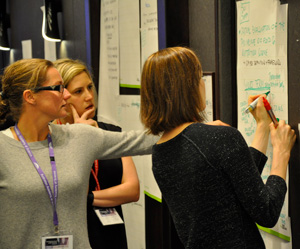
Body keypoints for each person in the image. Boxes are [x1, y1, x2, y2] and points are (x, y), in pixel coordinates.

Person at [139, 47, 296, 249]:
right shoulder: (218, 138)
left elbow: (237, 186)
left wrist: (262, 127)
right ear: (187, 88)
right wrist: (282, 153)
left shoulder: (160, 153)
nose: (202, 84)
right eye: (198, 78)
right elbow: (266, 211)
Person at [0, 58, 157, 249]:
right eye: (58, 88)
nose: (65, 95)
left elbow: (146, 141)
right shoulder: (3, 148)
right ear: (30, 97)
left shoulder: (80, 136)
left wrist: (198, 129)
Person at [53, 58, 139, 249]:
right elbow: (61, 191)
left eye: (90, 87)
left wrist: (88, 198)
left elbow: (132, 190)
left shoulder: (112, 132)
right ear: (62, 96)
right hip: (71, 237)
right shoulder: (49, 137)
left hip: (111, 234)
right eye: (79, 91)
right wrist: (79, 139)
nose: (89, 96)